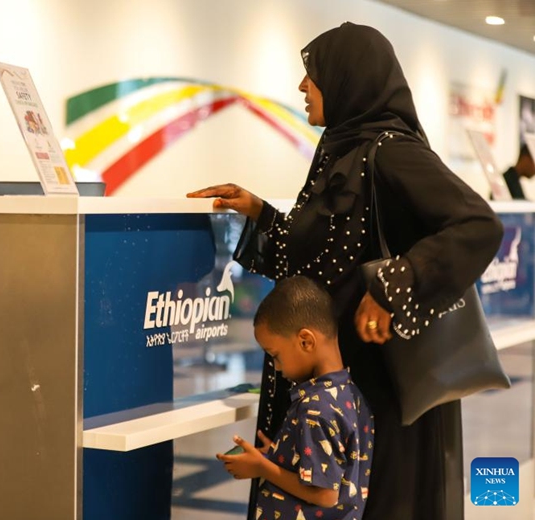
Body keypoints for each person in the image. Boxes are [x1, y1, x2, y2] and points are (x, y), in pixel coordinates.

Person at [189, 22, 503, 520]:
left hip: (373, 392)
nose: (302, 87)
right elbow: (320, 261)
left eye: (311, 75)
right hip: (329, 389)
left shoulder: (391, 151)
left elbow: (478, 224)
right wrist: (261, 213)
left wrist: (391, 288)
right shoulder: (342, 150)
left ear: (346, 79)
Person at [218, 276, 373, 520]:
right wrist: (282, 455)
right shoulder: (349, 393)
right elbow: (334, 468)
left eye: (275, 355)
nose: (277, 368)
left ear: (305, 341)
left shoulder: (316, 408)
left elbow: (325, 494)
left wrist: (262, 468)